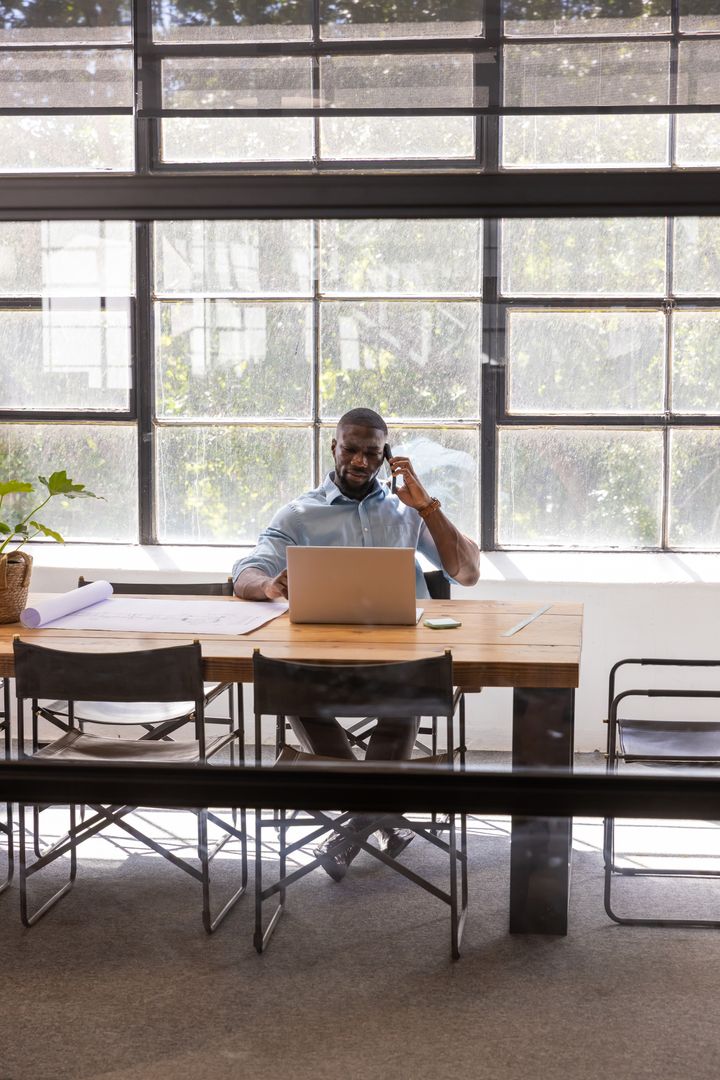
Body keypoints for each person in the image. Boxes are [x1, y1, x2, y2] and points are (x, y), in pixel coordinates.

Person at [232, 407, 480, 879]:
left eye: (372, 453)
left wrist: (427, 505)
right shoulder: (300, 514)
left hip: (402, 662)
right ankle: (377, 814)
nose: (361, 462)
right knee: (287, 682)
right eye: (352, 449)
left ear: (386, 457)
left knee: (410, 684)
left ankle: (350, 825)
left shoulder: (408, 512)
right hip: (323, 664)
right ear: (334, 448)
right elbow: (246, 571)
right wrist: (268, 587)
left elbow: (467, 573)